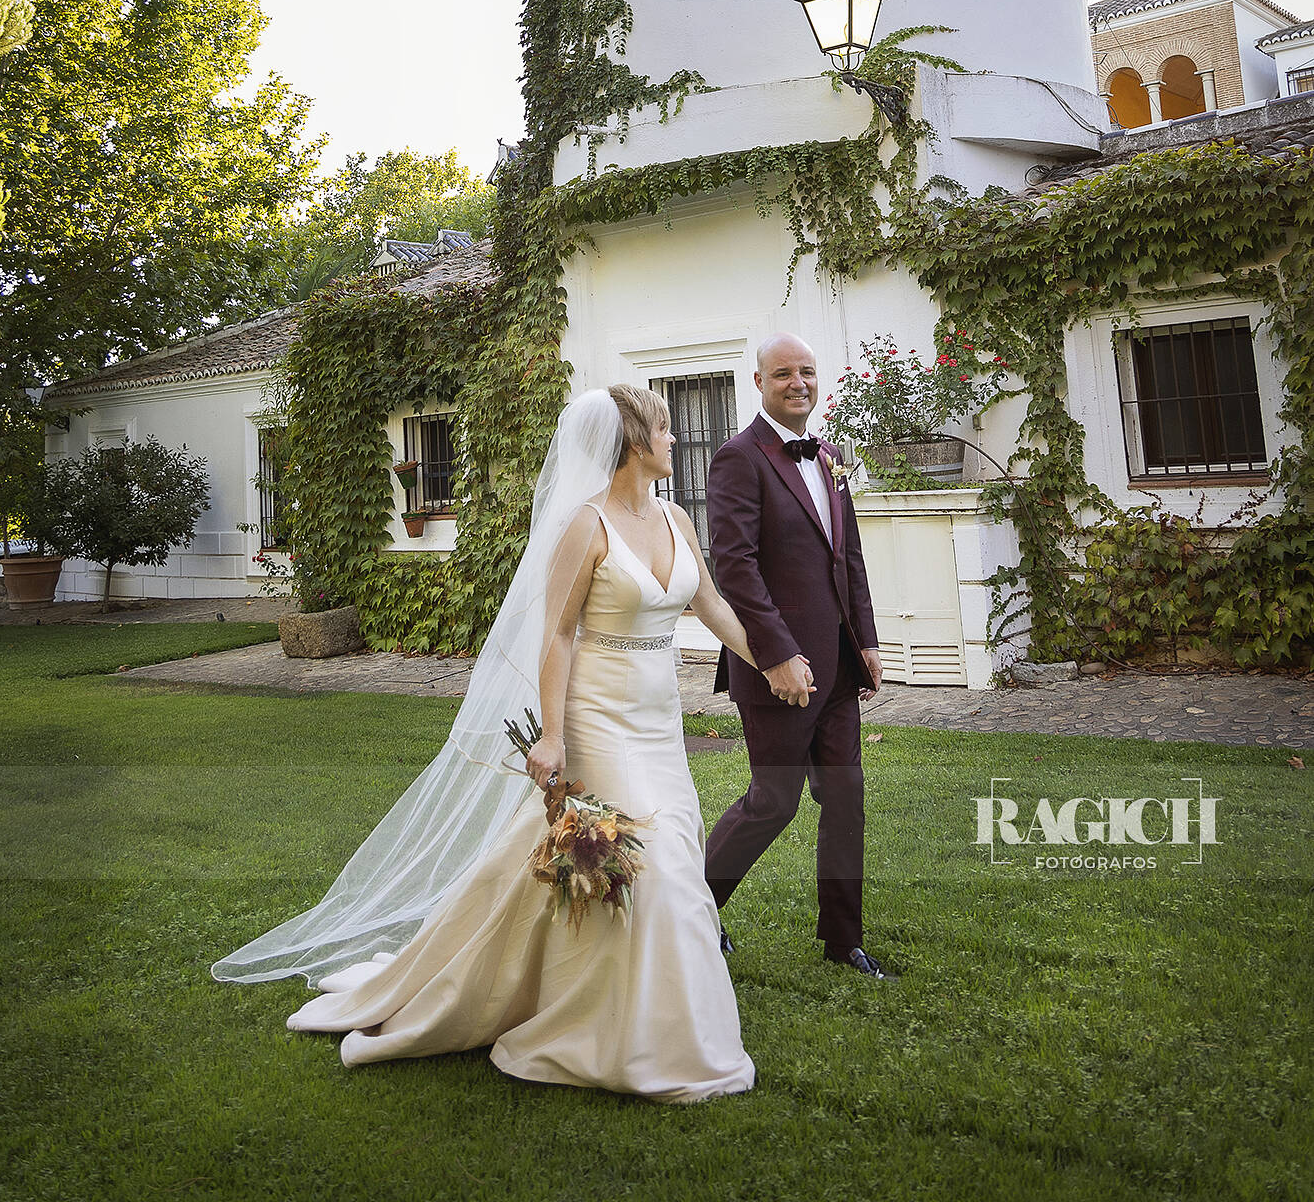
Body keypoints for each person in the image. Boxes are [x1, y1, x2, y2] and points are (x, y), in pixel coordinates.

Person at [213, 385, 779, 1101]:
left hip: (659, 721)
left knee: (641, 866)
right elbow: (558, 635)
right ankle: (629, 1038)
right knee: (650, 865)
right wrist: (551, 734)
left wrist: (773, 660)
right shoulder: (585, 525)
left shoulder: (673, 518)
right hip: (597, 719)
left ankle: (622, 1012)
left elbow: (710, 604)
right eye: (665, 430)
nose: (673, 441)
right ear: (635, 443)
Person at [704, 332, 899, 981]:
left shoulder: (832, 456)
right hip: (777, 672)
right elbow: (733, 564)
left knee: (845, 797)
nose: (797, 383)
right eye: (783, 372)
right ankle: (696, 910)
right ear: (758, 382)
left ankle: (843, 939)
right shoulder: (737, 458)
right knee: (773, 801)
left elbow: (851, 559)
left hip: (838, 668)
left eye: (807, 372)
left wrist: (865, 641)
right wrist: (776, 654)